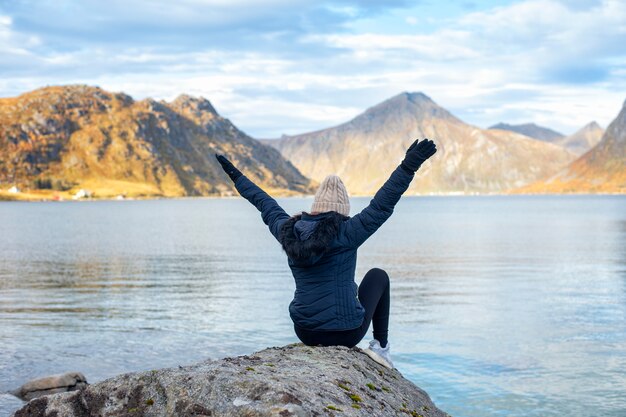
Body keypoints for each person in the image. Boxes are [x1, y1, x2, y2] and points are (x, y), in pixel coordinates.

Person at [215, 138, 437, 369]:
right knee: (378, 276)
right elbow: (382, 204)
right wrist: (409, 166)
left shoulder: (288, 231)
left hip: (305, 331)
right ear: (342, 212)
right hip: (346, 334)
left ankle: (375, 345)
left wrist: (235, 175)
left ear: (315, 207)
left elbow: (263, 202)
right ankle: (380, 348)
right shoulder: (349, 231)